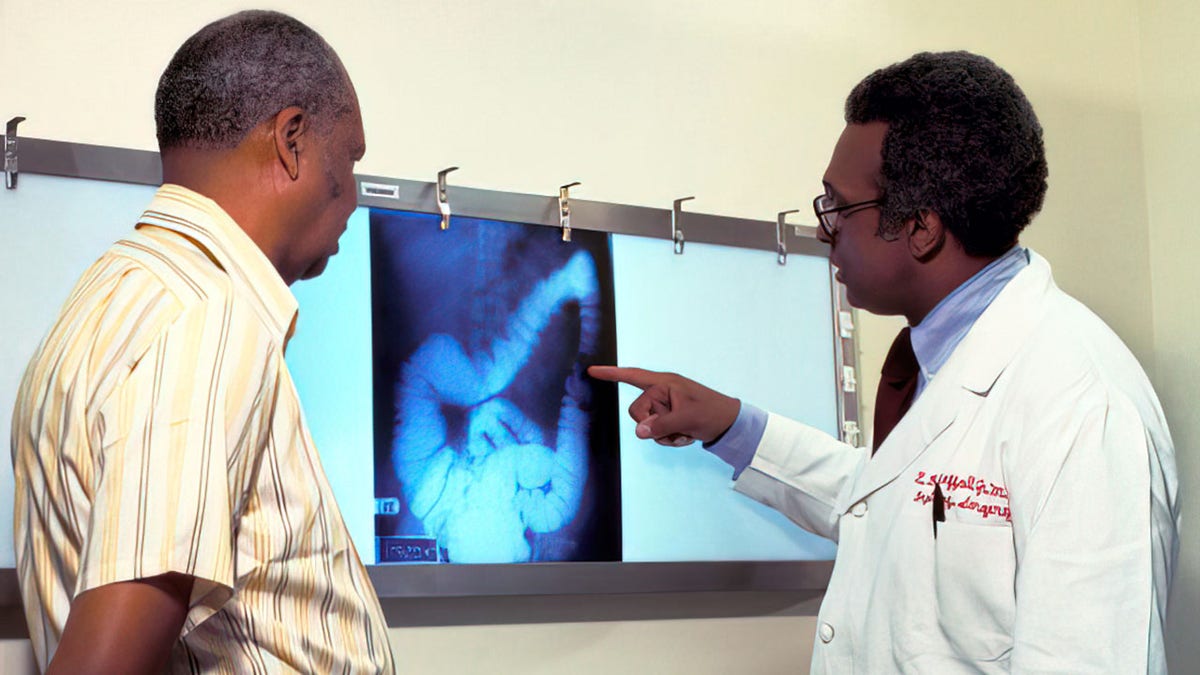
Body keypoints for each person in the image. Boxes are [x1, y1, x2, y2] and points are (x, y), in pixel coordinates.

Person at [591, 51, 1178, 673]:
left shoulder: (1085, 408)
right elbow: (889, 505)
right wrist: (730, 425)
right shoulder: (942, 357)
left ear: (921, 229)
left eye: (837, 207)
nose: (824, 231)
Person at [11, 11, 394, 673]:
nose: (354, 195)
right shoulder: (204, 319)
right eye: (350, 158)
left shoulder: (108, 298)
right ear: (292, 141)